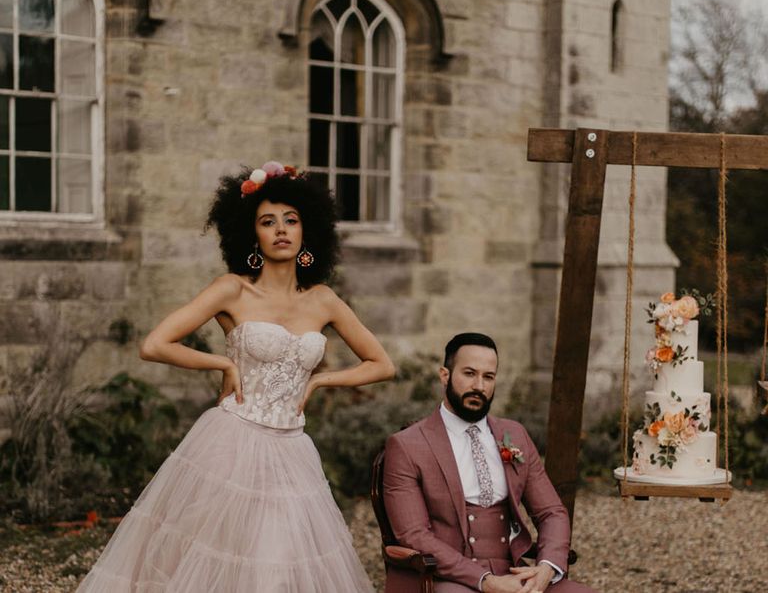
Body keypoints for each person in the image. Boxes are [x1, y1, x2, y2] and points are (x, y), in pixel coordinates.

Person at [78, 161, 394, 592]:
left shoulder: (324, 300)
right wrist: (224, 364)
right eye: (268, 222)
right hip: (234, 441)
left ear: (307, 232)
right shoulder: (232, 289)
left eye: (291, 220)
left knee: (279, 559)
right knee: (221, 559)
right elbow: (154, 345)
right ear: (252, 234)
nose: (281, 229)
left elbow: (382, 364)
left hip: (292, 448)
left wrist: (321, 381)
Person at [382, 333, 595, 593]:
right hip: (444, 577)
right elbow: (413, 535)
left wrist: (546, 568)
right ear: (444, 375)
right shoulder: (406, 445)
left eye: (488, 377)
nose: (479, 386)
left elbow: (552, 512)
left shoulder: (514, 434)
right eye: (469, 374)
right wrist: (486, 581)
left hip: (512, 572)